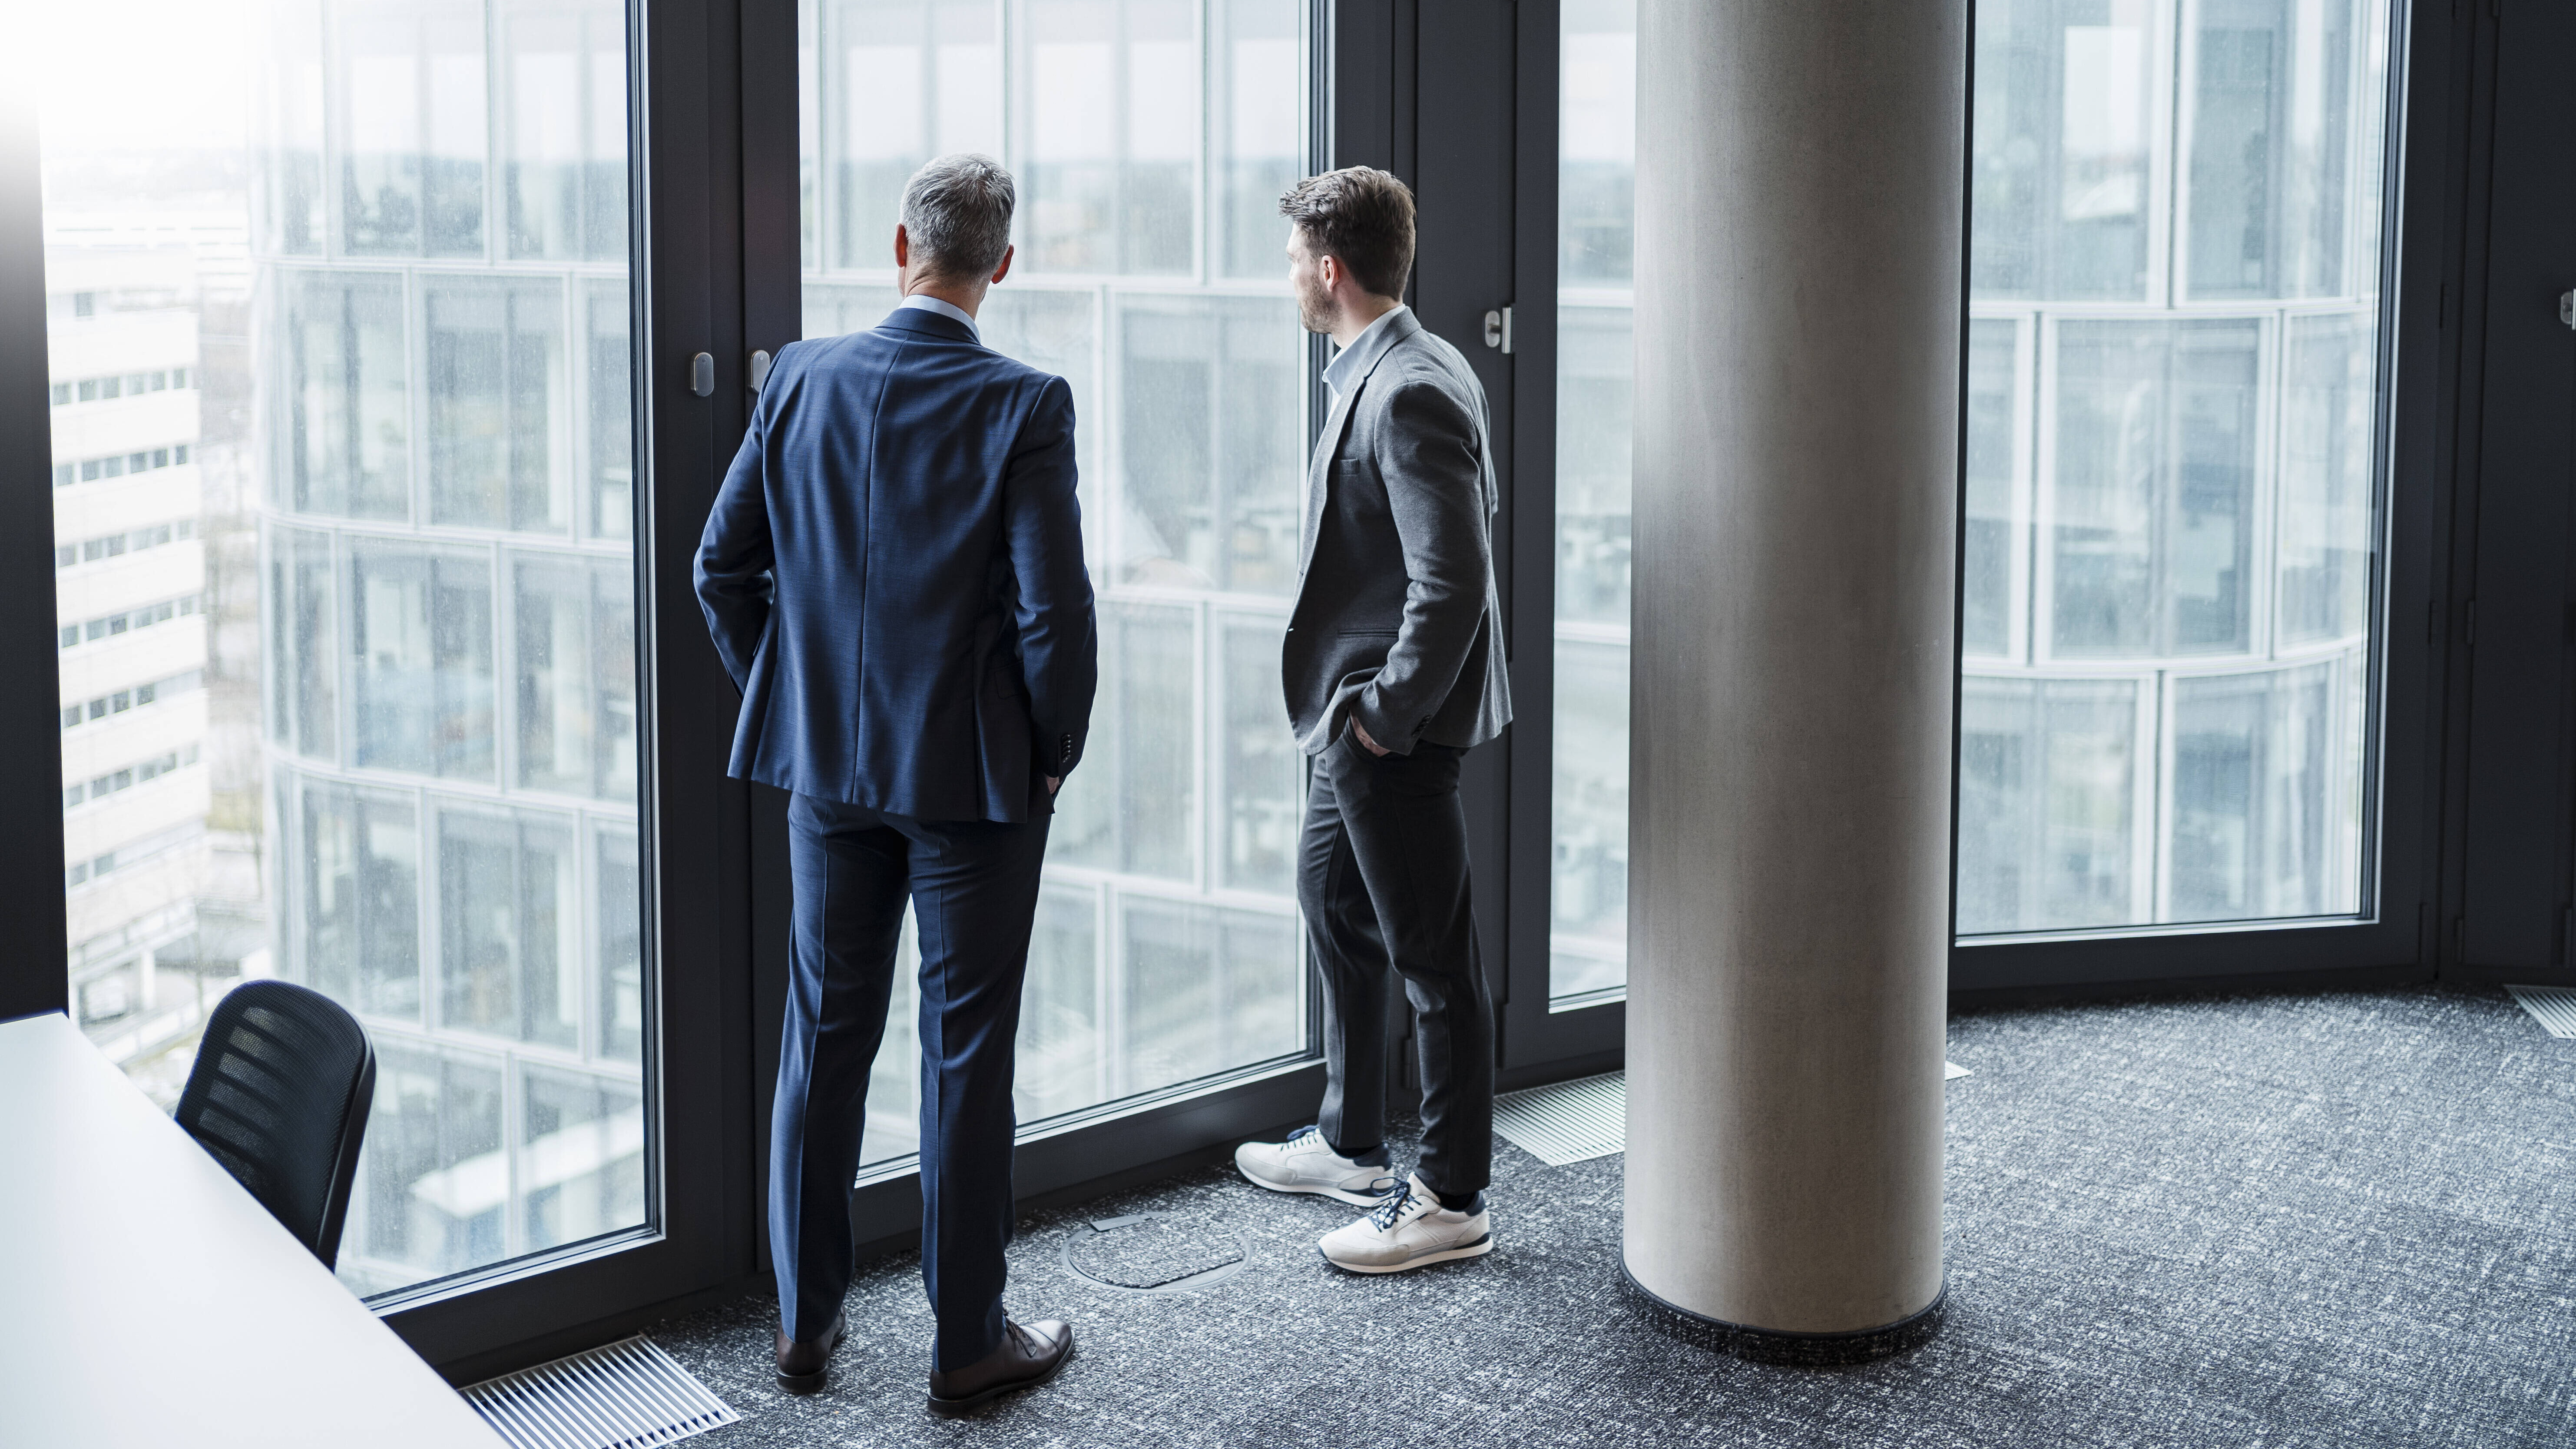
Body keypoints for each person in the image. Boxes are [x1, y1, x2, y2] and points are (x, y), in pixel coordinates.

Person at [694, 153, 1095, 1415]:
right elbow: (1052, 617)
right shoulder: (1024, 403)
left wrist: (802, 703)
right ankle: (966, 1343)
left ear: (898, 246)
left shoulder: (799, 377)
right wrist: (1052, 749)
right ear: (1003, 266)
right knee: (963, 1052)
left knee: (821, 1037)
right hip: (973, 785)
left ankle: (805, 1329)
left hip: (829, 775)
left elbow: (723, 569)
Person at [1235, 166, 1512, 1273]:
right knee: (1328, 898)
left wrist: (1384, 718)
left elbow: (1453, 582)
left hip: (1385, 731)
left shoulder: (1409, 389)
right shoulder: (1403, 362)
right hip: (1345, 730)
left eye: (1294, 257)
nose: (1289, 276)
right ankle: (1352, 1139)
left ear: (1329, 268)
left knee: (1434, 960)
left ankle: (1451, 1194)